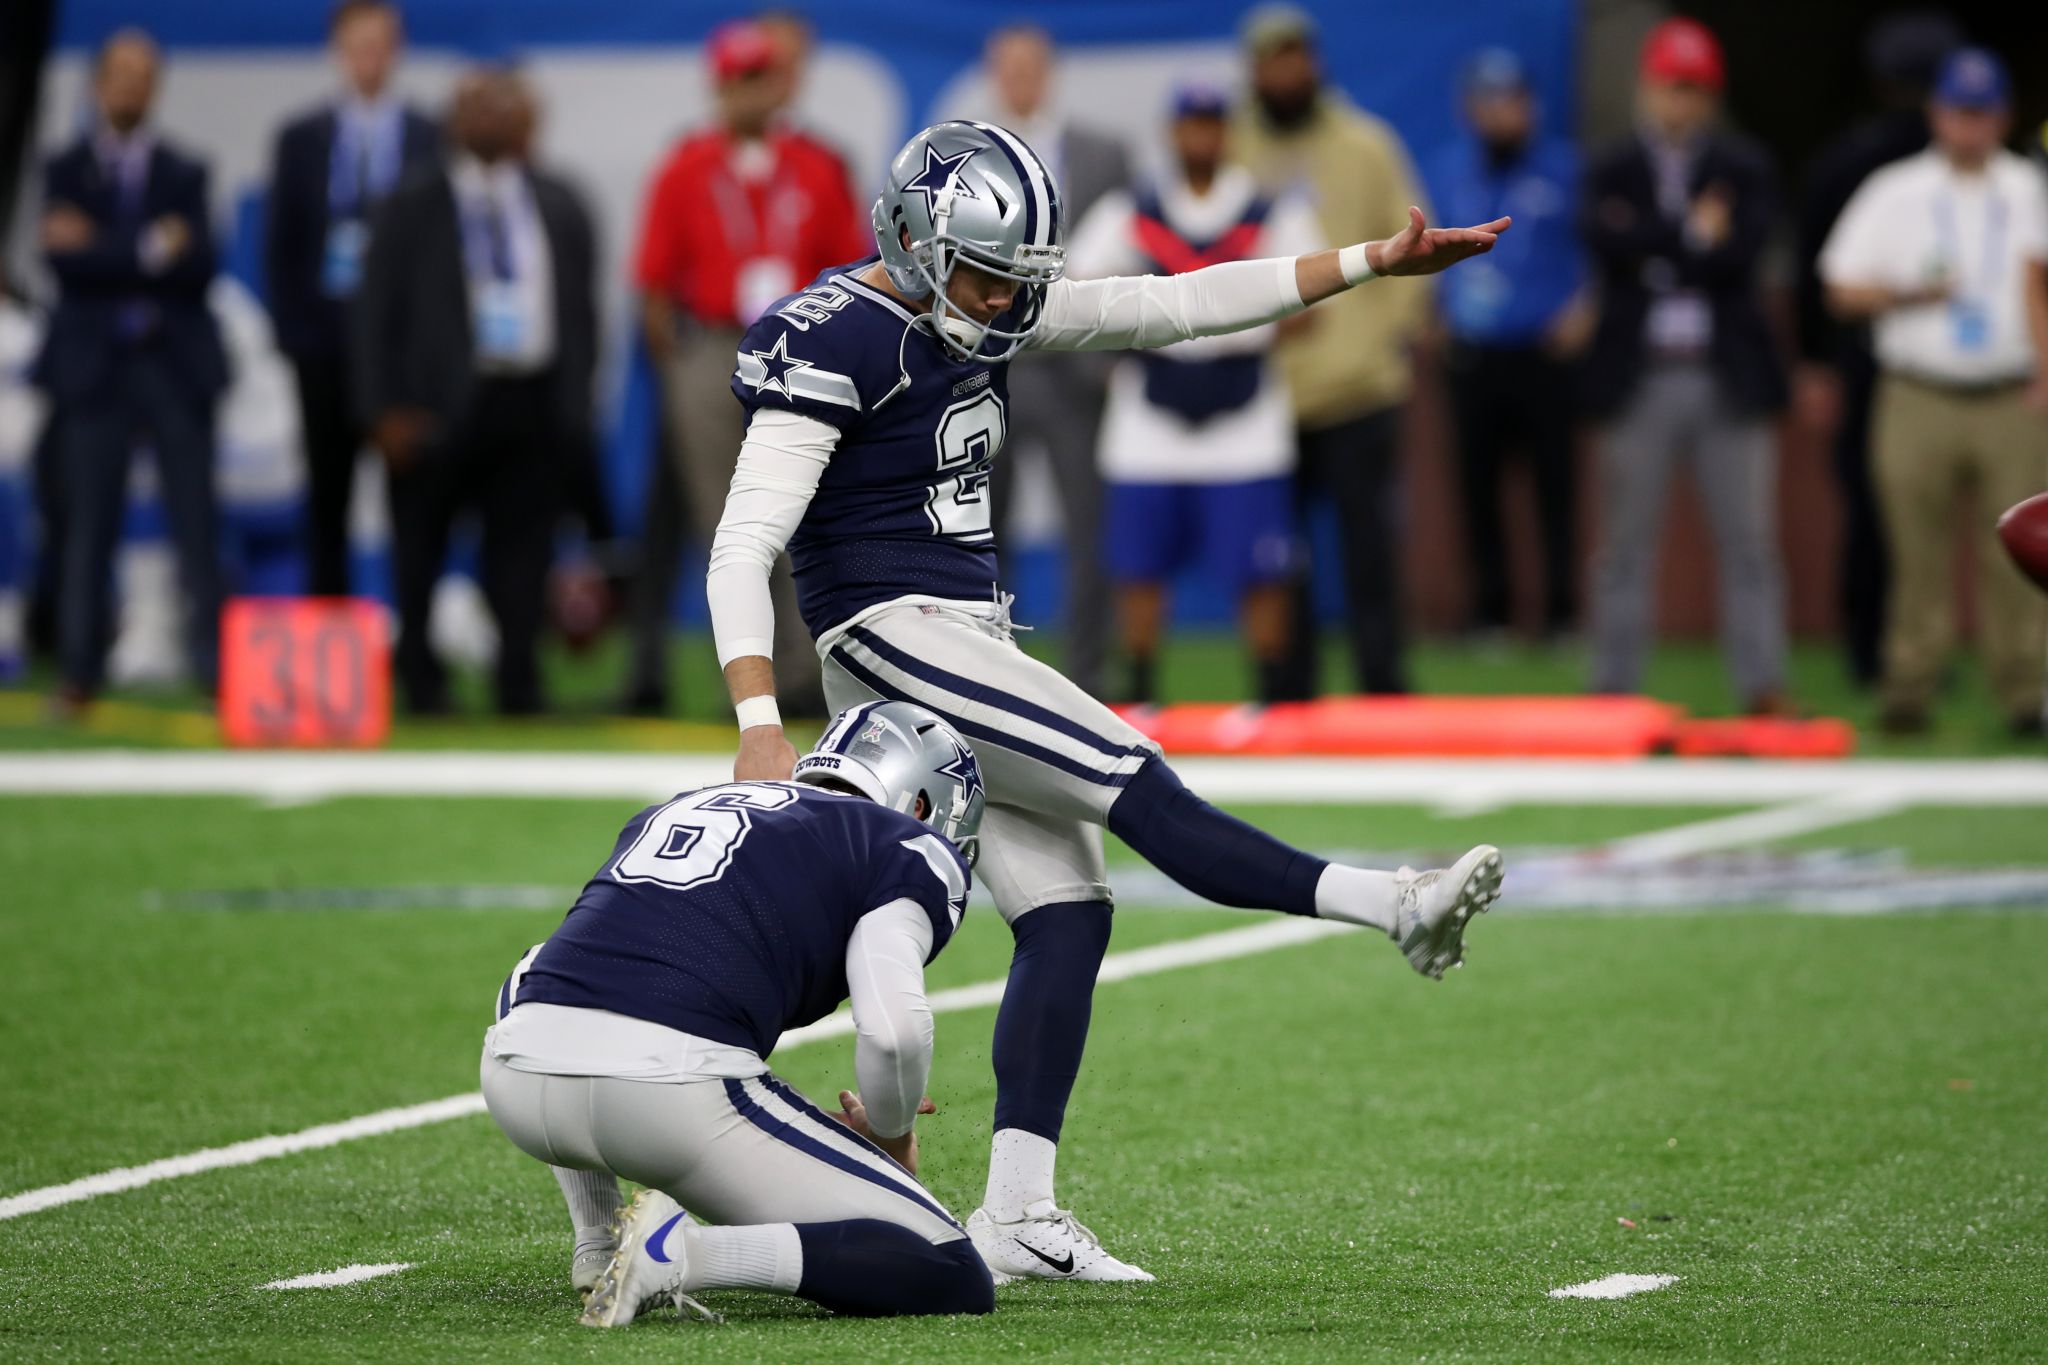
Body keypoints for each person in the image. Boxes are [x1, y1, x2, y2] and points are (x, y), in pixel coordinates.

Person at [706, 119, 1509, 1280]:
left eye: (1018, 280)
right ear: (916, 241)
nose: (1003, 303)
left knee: (1069, 914)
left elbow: (1174, 306)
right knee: (1132, 774)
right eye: (985, 274)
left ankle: (1018, 1213)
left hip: (960, 637)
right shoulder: (833, 337)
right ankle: (1395, 905)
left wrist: (1368, 263)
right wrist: (755, 722)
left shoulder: (985, 303)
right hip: (890, 641)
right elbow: (742, 549)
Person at [485, 700, 995, 1323]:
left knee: (559, 979)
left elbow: (532, 971)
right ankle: (679, 1255)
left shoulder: (682, 805)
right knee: (945, 1266)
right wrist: (890, 1138)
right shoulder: (902, 842)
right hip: (665, 1094)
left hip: (515, 1075)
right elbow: (893, 1034)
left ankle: (599, 1241)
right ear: (921, 804)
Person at [628, 20, 862, 717]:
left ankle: (805, 671)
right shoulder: (685, 166)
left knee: (801, 513)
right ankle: (748, 681)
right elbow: (653, 285)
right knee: (725, 525)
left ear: (778, 83)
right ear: (718, 87)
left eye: (758, 78)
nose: (746, 94)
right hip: (709, 348)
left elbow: (847, 272)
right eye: (734, 81)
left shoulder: (819, 166)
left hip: (795, 349)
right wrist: (682, 367)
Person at [1065, 82, 1323, 705]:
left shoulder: (1268, 212)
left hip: (1244, 405)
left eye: (1212, 125)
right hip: (1152, 404)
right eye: (1191, 125)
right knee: (1138, 560)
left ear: (1226, 133)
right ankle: (1144, 688)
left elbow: (1315, 297)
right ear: (1172, 133)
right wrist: (1136, 327)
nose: (1201, 137)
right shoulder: (1135, 210)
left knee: (1260, 565)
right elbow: (1073, 286)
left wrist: (1246, 325)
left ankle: (1267, 690)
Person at [352, 67, 598, 715]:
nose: (490, 117)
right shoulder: (412, 202)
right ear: (452, 121)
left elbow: (583, 311)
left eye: (503, 105)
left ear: (525, 121)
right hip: (433, 406)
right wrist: (382, 411)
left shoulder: (557, 199)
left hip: (531, 399)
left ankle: (518, 681)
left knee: (523, 553)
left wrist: (573, 403)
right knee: (421, 548)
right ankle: (422, 683)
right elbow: (376, 313)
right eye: (474, 106)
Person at [1820, 47, 2048, 736]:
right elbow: (1838, 288)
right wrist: (1908, 292)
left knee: (2020, 551)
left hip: (2013, 391)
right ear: (1936, 113)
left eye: (1982, 113)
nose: (1970, 126)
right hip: (1918, 389)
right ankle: (1909, 688)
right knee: (1913, 549)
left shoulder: (2029, 186)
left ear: (2002, 116)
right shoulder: (1896, 190)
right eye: (1958, 111)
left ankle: (2027, 693)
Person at [1581, 17, 1791, 714]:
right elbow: (1605, 245)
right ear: (1649, 87)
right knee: (1622, 544)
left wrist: (1658, 250)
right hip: (1641, 372)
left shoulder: (1743, 166)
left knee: (1750, 542)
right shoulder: (1613, 167)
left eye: (1696, 90)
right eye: (1674, 87)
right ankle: (1614, 688)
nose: (1683, 103)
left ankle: (1761, 685)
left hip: (1723, 371)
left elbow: (1740, 254)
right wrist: (1687, 236)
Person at [1230, 4, 1432, 697]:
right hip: (1264, 395)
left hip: (1358, 385)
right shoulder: (1231, 149)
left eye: (1296, 56)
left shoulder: (1364, 145)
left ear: (1313, 61)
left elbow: (1413, 245)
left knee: (1368, 550)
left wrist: (1380, 335)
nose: (1286, 71)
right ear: (1254, 69)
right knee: (1274, 556)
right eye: (1271, 59)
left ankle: (1382, 685)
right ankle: (1287, 690)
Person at [35, 29, 228, 713]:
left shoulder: (185, 169)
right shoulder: (64, 169)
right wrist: (149, 247)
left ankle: (215, 671)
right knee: (88, 525)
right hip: (95, 370)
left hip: (173, 366)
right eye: (120, 74)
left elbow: (201, 263)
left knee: (196, 523)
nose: (132, 87)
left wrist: (104, 247)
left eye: (145, 75)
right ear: (96, 83)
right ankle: (79, 671)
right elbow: (64, 263)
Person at [1793, 12, 1963, 688]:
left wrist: (1814, 358)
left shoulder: (1849, 155)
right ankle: (1893, 650)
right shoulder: (1871, 164)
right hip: (1887, 354)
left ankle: (1881, 649)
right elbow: (1823, 272)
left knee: (1883, 511)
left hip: (1878, 357)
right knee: (1899, 513)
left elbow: (1809, 270)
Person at [264, 0, 439, 597]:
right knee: (327, 497)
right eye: (357, 44)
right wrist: (294, 338)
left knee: (411, 499)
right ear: (337, 50)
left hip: (401, 354)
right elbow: (282, 248)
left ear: (397, 49)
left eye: (380, 43)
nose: (369, 57)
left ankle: (412, 643)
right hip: (324, 345)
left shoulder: (428, 136)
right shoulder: (300, 137)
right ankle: (327, 636)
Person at [978, 23, 1129, 699]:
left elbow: (1132, 256)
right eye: (1008, 69)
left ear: (1050, 73)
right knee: (981, 531)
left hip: (1073, 370)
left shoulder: (1103, 154)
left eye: (1030, 67)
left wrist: (1113, 356)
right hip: (991, 369)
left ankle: (1089, 678)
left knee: (1088, 528)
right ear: (993, 75)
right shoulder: (968, 160)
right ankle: (987, 676)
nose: (1021, 81)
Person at [1426, 48, 1589, 642]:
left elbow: (1597, 249)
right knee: (1478, 487)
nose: (1502, 114)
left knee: (1555, 486)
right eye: (1489, 102)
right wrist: (1435, 315)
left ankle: (1561, 612)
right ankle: (1491, 611)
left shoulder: (1565, 169)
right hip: (1474, 350)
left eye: (1512, 100)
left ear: (1531, 105)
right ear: (1470, 108)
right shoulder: (1449, 170)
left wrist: (1585, 309)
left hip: (1545, 350)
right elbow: (1424, 247)